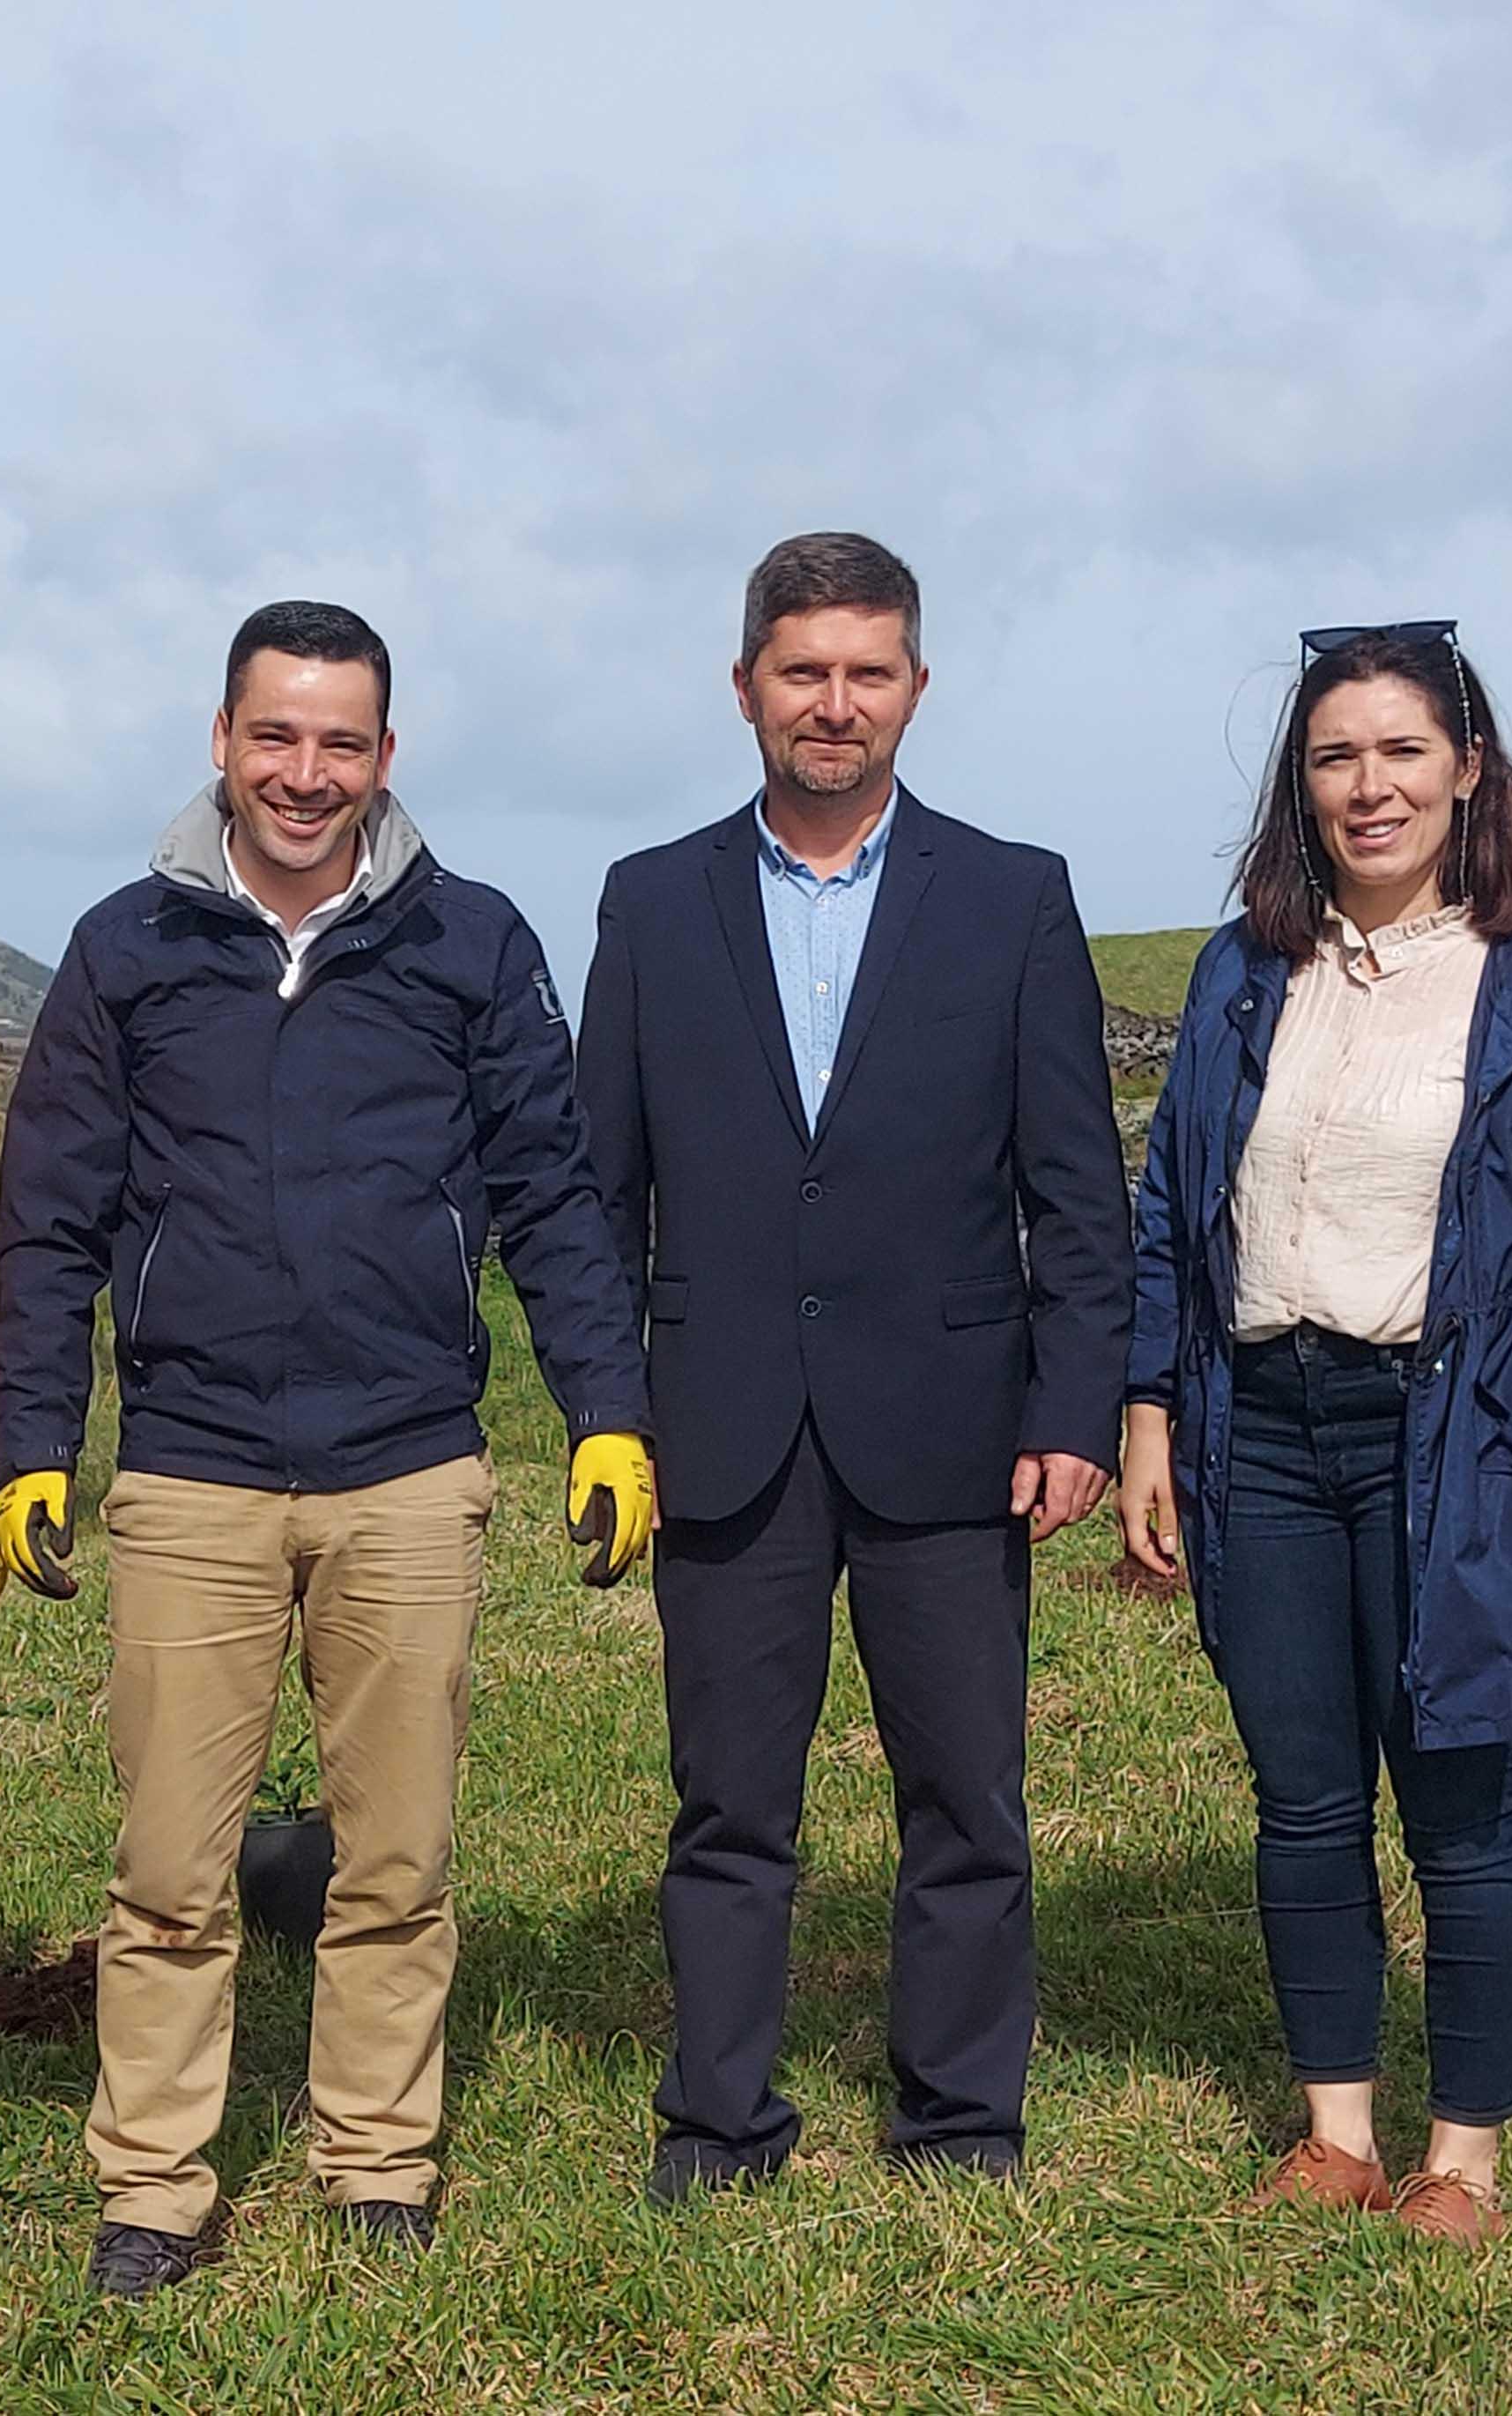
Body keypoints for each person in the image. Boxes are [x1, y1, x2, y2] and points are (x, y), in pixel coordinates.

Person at [0, 601, 659, 2298]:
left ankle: (376, 2159)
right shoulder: (124, 948)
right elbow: (49, 1219)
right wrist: (32, 1440)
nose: (305, 772)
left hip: (408, 1465)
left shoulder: (470, 942)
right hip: (191, 1467)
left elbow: (553, 1197)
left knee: (398, 1860)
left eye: (339, 742)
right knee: (166, 1869)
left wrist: (609, 1413)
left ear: (384, 753)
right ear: (221, 739)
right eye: (274, 736)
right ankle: (152, 2184)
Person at [575, 532, 1133, 2202]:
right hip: (721, 1423)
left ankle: (958, 2116)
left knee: (964, 1793)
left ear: (915, 687)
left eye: (866, 672)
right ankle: (717, 2120)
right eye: (803, 670)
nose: (835, 703)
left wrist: (1074, 1406)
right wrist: (609, 1410)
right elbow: (599, 1190)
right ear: (744, 684)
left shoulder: (1013, 895)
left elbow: (1075, 1187)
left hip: (952, 1424)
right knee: (726, 1802)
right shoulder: (650, 899)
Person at [1115, 620, 1512, 2246]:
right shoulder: (1240, 973)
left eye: (1402, 751)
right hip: (1261, 1430)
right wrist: (1146, 1408)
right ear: (1302, 783)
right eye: (1335, 755)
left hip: (1454, 1441)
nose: (1369, 786)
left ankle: (1460, 2159)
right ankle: (1335, 2131)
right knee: (1300, 1797)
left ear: (1467, 769)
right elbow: (1170, 1211)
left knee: (1461, 1803)